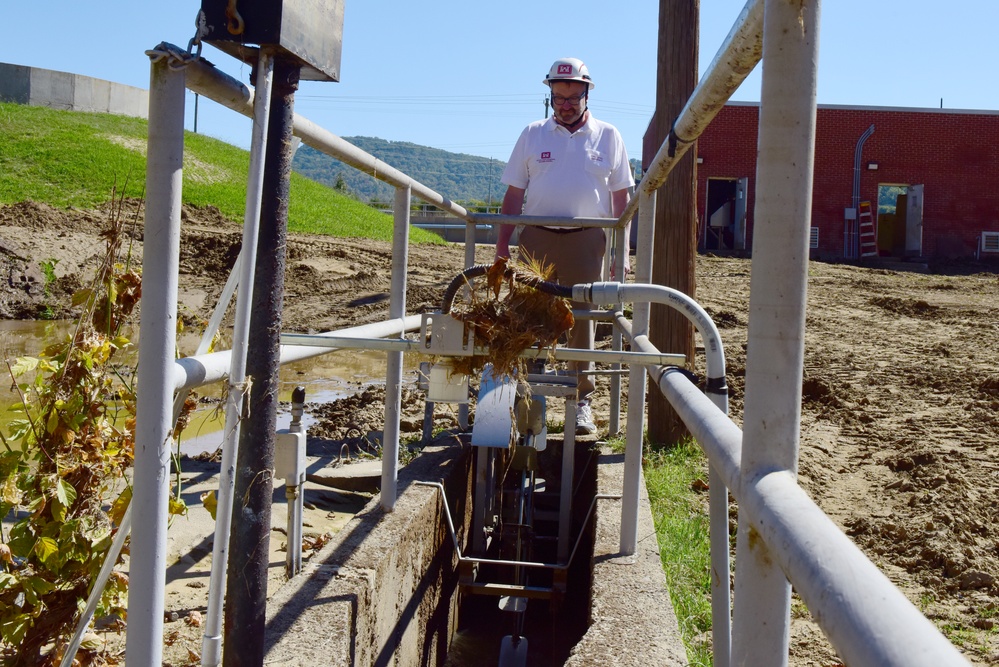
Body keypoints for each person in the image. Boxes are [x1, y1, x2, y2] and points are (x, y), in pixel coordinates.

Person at [495, 57, 634, 436]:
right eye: (559, 97)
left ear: (587, 94)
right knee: (528, 314)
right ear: (551, 96)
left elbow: (621, 198)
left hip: (588, 240)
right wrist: (502, 245)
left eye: (574, 97)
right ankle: (525, 398)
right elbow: (513, 193)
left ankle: (580, 402)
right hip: (537, 237)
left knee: (582, 320)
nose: (566, 104)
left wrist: (620, 254)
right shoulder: (532, 133)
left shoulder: (608, 136)